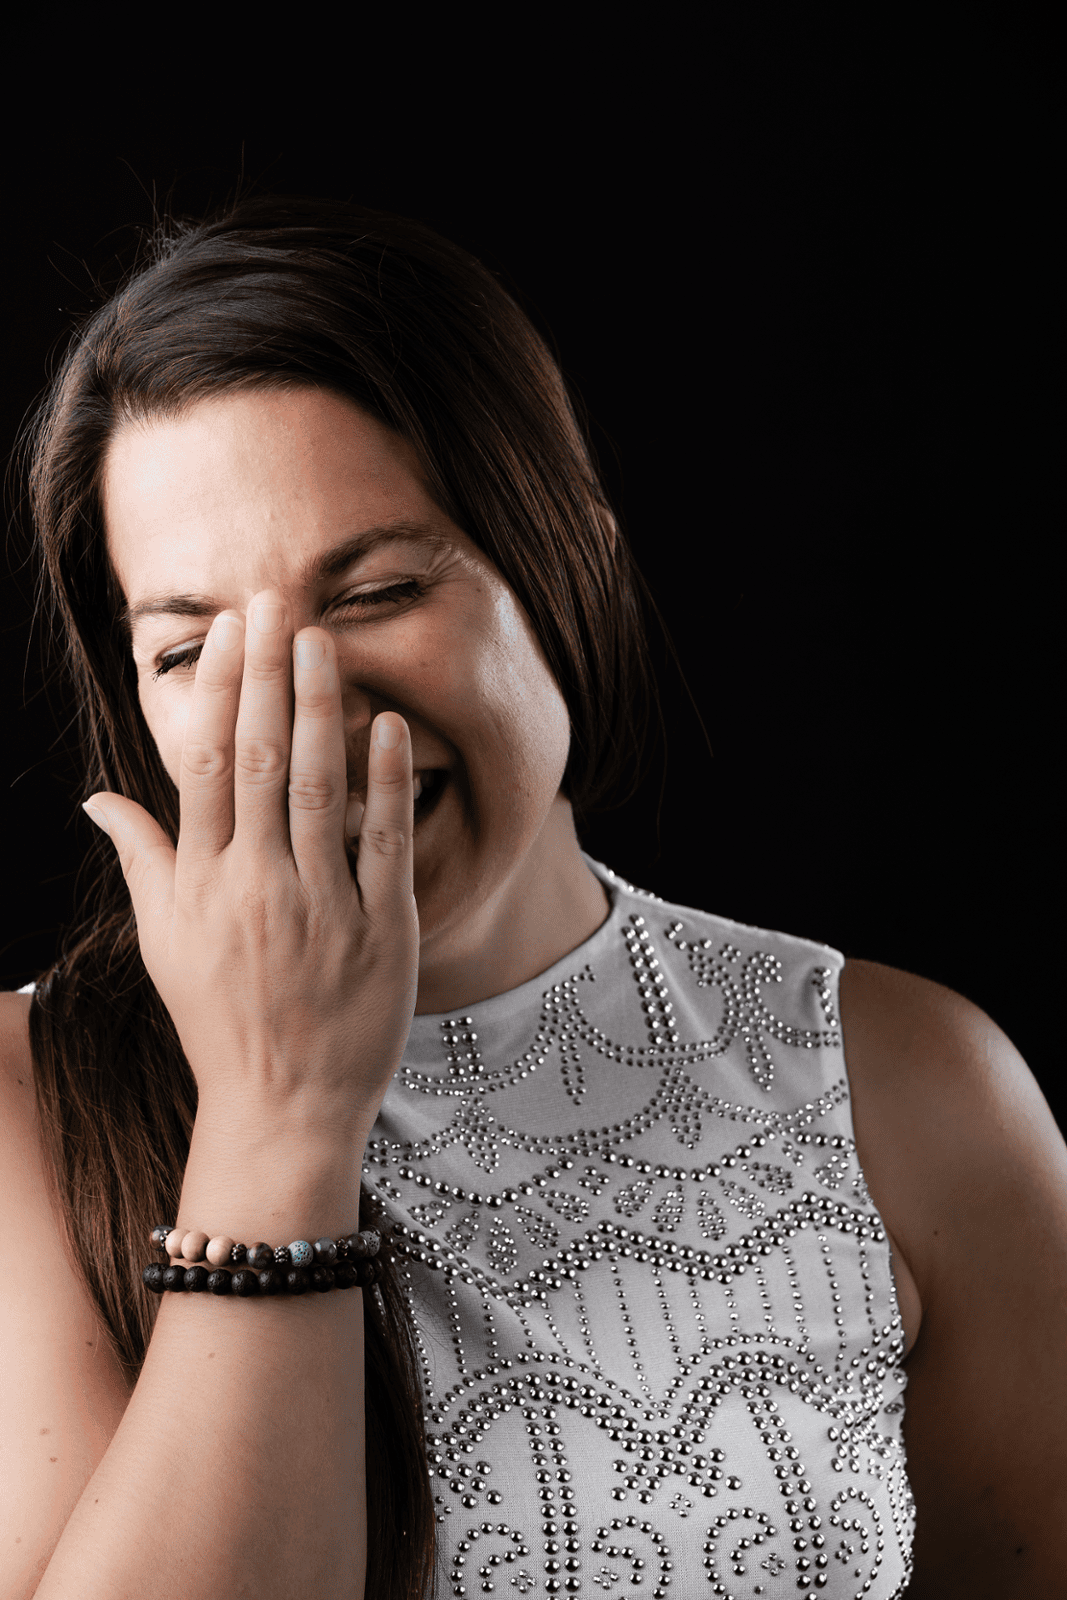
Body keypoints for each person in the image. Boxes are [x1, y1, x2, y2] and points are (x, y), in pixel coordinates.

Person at [1, 194, 1064, 1600]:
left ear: (570, 566)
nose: (304, 717)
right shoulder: (26, 1105)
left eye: (375, 591)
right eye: (192, 650)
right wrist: (278, 1117)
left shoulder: (915, 1085)